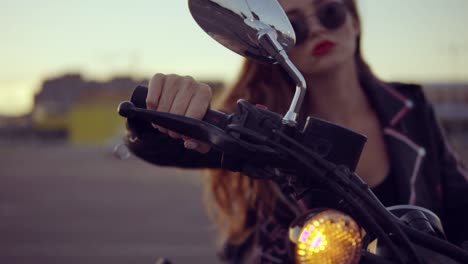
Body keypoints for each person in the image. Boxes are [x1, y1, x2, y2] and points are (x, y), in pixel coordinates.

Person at [125, 0, 468, 262]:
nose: (318, 29)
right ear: (269, 46)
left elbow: (458, 201)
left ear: (354, 22)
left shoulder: (410, 106)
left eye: (329, 12)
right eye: (295, 26)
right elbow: (160, 147)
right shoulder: (265, 124)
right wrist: (168, 109)